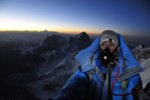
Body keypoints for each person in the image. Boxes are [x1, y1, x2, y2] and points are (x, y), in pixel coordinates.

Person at [54, 30, 144, 100]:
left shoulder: (129, 73)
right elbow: (74, 87)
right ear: (99, 46)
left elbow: (139, 95)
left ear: (118, 48)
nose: (107, 48)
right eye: (103, 44)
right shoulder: (87, 68)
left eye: (112, 44)